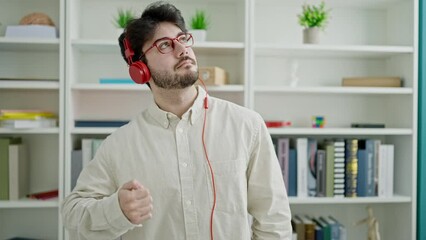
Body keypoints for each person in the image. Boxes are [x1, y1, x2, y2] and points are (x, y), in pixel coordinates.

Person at [61, 1, 292, 239]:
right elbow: (72, 213)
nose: (182, 50)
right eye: (164, 45)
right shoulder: (119, 144)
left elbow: (274, 221)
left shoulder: (247, 125)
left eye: (183, 39)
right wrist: (116, 211)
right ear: (140, 69)